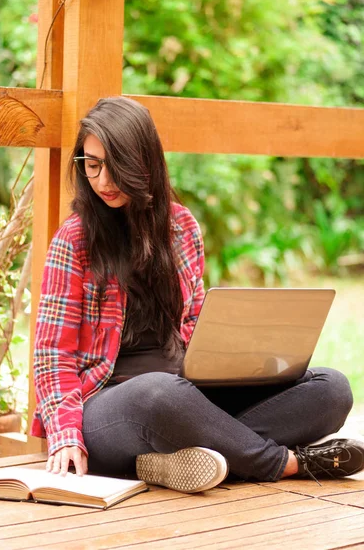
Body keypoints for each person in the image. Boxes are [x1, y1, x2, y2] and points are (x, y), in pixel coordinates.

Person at [32, 96, 364, 493]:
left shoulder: (181, 228)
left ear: (144, 161)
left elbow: (191, 323)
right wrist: (66, 434)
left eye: (113, 165)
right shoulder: (76, 239)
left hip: (188, 396)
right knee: (158, 392)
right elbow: (53, 354)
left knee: (331, 387)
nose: (102, 180)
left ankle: (187, 459)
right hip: (113, 406)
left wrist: (239, 361)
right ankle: (284, 462)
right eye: (91, 164)